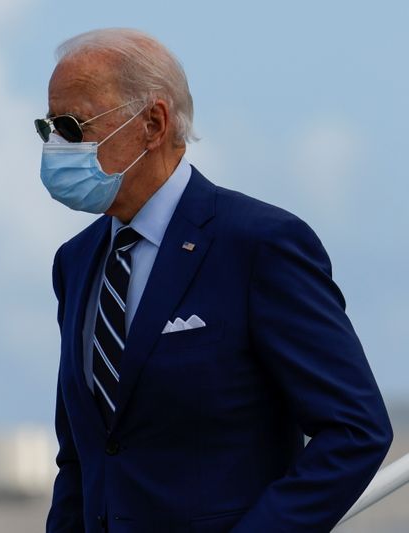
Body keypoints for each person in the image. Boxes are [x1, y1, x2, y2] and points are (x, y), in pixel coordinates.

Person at [37, 28, 393, 533]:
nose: (55, 145)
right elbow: (81, 456)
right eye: (46, 127)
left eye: (72, 126)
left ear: (154, 123)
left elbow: (356, 431)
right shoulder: (75, 263)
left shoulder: (259, 245)